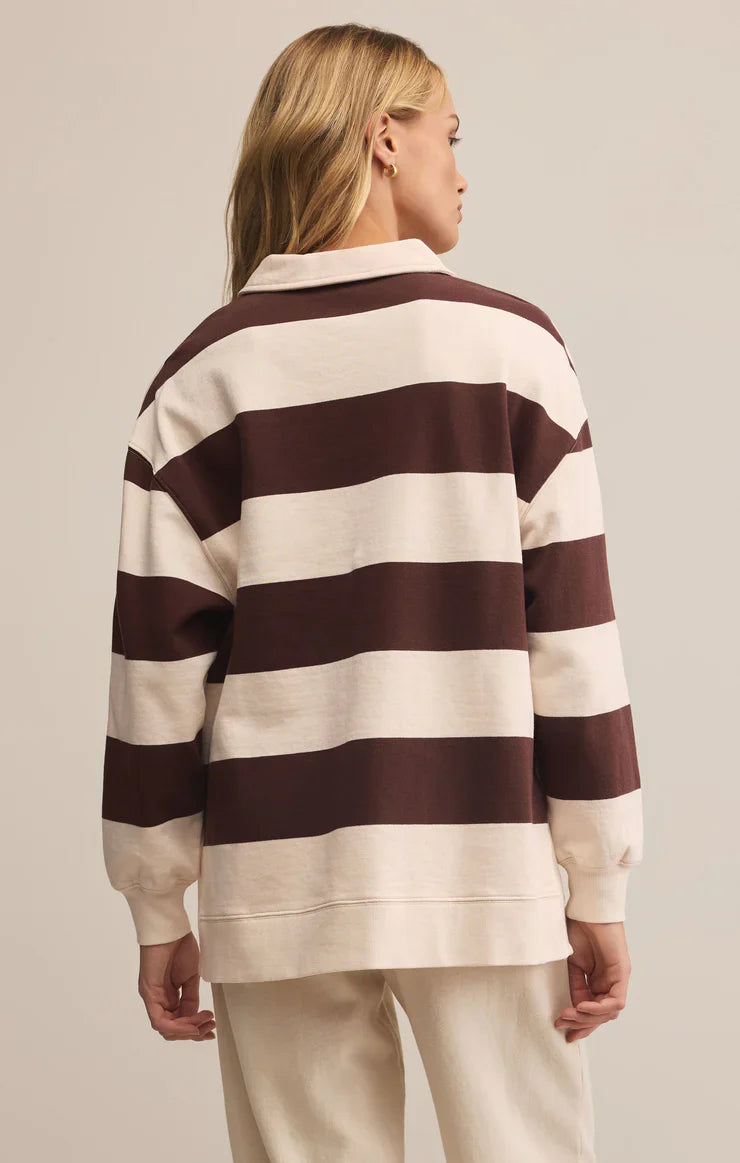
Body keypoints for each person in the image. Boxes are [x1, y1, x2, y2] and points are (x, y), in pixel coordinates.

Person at [101, 22, 644, 1162]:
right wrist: (597, 879)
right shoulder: (512, 350)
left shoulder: (199, 380)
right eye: (451, 134)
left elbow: (154, 683)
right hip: (480, 867)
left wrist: (158, 905)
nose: (462, 168)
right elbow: (574, 645)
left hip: (277, 881)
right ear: (383, 138)